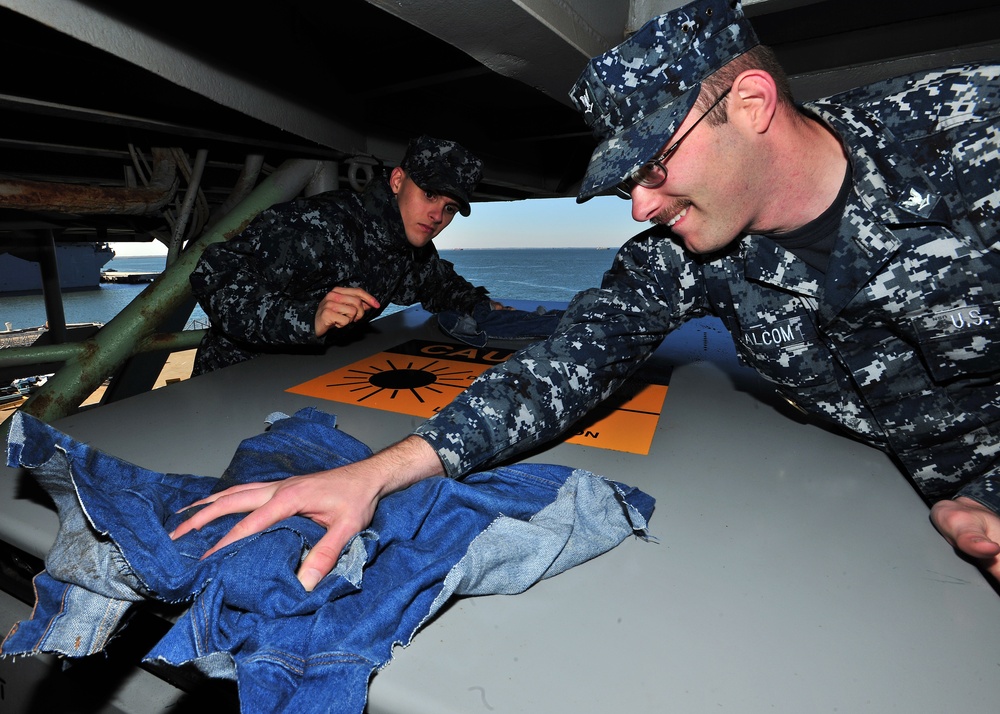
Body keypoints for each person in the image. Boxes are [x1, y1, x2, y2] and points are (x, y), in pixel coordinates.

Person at [172, 0, 1000, 592]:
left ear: (750, 105)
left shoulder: (970, 135)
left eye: (654, 166)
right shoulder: (683, 254)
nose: (640, 205)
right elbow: (564, 368)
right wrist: (377, 474)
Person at [188, 135, 508, 375]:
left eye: (449, 208)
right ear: (398, 181)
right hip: (233, 376)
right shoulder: (323, 224)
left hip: (301, 376)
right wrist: (307, 317)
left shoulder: (405, 247)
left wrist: (479, 306)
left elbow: (435, 283)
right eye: (430, 194)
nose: (437, 215)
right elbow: (216, 271)